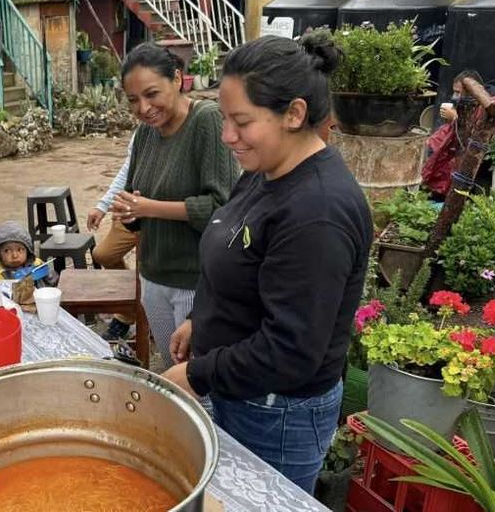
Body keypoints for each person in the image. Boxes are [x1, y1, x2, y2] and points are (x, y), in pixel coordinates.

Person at [161, 33, 373, 493]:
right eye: (224, 119)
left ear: (294, 114)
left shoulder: (318, 212)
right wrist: (202, 319)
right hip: (243, 390)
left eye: (241, 121)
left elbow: (292, 350)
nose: (226, 136)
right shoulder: (268, 172)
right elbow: (237, 253)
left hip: (277, 414)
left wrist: (199, 375)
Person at [111, 42, 238, 368]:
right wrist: (129, 212)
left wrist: (148, 207)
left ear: (178, 79)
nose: (143, 107)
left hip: (194, 284)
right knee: (171, 365)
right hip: (153, 277)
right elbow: (136, 199)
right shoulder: (145, 134)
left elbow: (222, 208)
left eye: (152, 93)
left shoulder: (207, 121)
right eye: (133, 100)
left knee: (196, 379)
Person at [422, 69, 495, 196]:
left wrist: (455, 117)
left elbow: (477, 131)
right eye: (454, 92)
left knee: (444, 151)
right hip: (491, 144)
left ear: (472, 90)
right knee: (436, 140)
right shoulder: (477, 101)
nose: (454, 97)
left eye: (458, 92)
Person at [87, 137, 138, 340]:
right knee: (104, 255)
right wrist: (102, 206)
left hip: (161, 217)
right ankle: (132, 307)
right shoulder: (142, 133)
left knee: (149, 272)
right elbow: (127, 170)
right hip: (129, 209)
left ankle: (126, 316)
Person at [0, 220, 57, 287]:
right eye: (7, 251)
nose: (15, 255)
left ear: (27, 250)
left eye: (19, 249)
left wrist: (51, 277)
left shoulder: (37, 264)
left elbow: (52, 282)